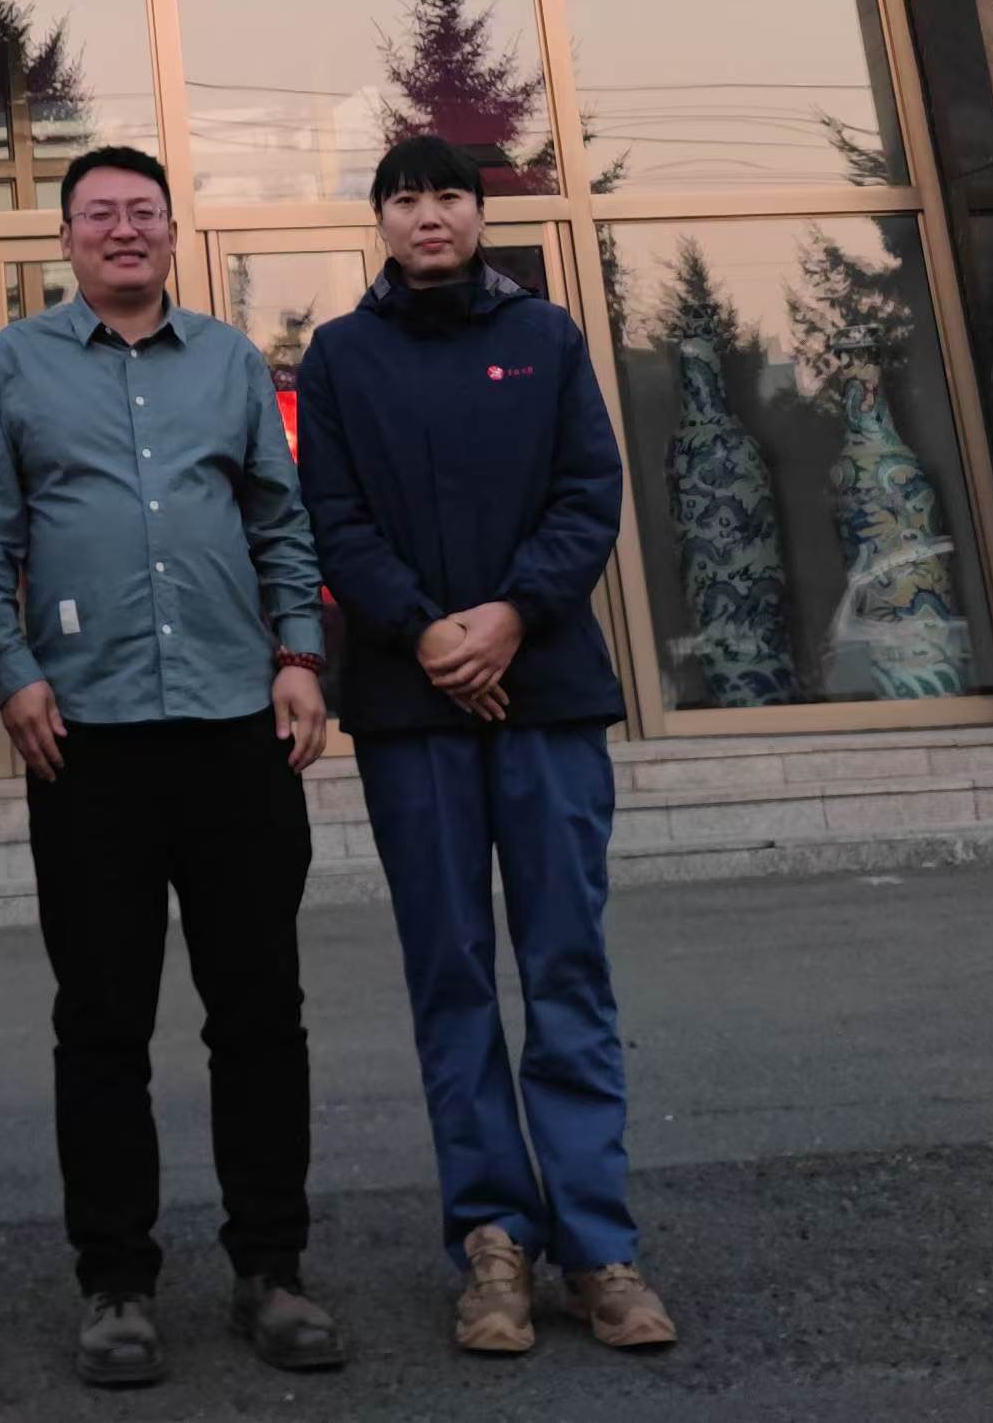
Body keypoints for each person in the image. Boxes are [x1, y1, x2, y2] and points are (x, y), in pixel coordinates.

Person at [0, 145, 344, 1389]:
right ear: (67, 238)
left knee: (260, 1013)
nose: (122, 230)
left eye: (142, 212)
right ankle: (115, 1283)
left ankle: (271, 1268)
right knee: (101, 1023)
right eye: (99, 215)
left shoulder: (230, 362)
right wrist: (12, 671)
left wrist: (300, 653)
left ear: (172, 233)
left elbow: (280, 520)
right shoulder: (12, 366)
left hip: (236, 726)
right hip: (87, 739)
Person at [289, 135, 677, 1356]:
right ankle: (494, 1243)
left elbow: (588, 492)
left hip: (545, 692)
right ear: (381, 221)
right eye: (405, 198)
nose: (429, 215)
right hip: (413, 709)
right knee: (451, 973)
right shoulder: (341, 357)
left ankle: (599, 1246)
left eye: (449, 195)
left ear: (479, 212)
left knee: (567, 966)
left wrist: (510, 617)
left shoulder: (546, 339)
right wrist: (426, 631)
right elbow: (332, 517)